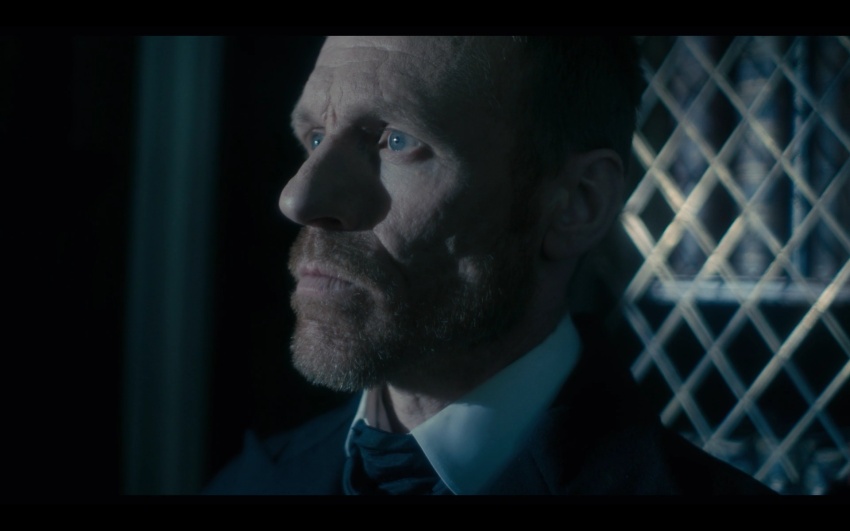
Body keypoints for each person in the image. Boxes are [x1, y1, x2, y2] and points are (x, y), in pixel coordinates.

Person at [204, 35, 775, 495]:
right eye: (315, 136)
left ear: (577, 204)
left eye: (396, 140)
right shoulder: (251, 484)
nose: (299, 198)